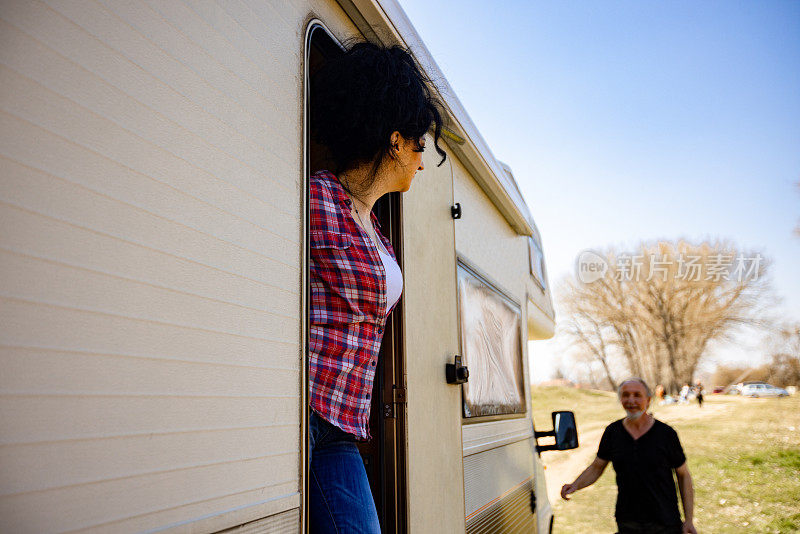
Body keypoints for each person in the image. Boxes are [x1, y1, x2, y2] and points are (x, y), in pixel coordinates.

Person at [307, 41, 446, 533]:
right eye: (418, 148)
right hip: (308, 416)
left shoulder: (373, 225)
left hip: (342, 424)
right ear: (394, 141)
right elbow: (361, 290)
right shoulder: (320, 195)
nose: (421, 163)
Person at [560, 378, 697, 534]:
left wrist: (689, 520)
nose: (631, 400)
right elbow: (597, 467)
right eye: (626, 395)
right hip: (628, 521)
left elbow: (683, 475)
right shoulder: (613, 432)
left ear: (648, 400)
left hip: (665, 522)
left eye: (637, 395)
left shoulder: (666, 434)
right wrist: (575, 485)